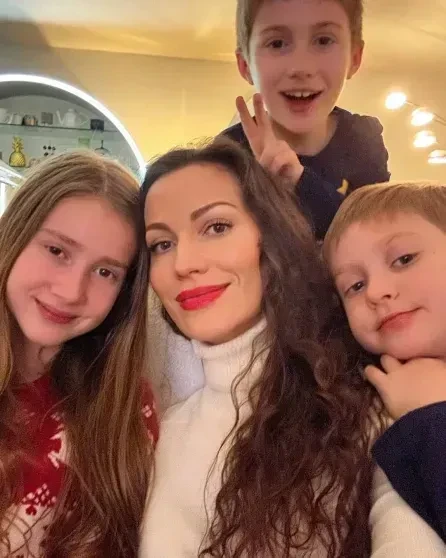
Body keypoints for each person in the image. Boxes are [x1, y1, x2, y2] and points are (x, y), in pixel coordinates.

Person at [139, 138, 394, 558]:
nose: (183, 264)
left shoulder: (366, 410)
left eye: (216, 227)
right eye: (161, 244)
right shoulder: (166, 431)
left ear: (271, 237)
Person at [0, 151, 158, 557]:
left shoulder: (125, 411)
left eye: (106, 272)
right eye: (57, 250)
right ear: (15, 234)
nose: (71, 291)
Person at [323, 180, 446, 552]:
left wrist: (431, 413)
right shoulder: (359, 414)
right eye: (355, 286)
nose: (376, 292)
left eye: (404, 259)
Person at [221, 0, 390, 239]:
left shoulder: (363, 139)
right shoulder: (228, 153)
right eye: (277, 43)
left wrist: (300, 182)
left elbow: (374, 237)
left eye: (324, 41)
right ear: (245, 65)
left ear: (354, 57)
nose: (301, 68)